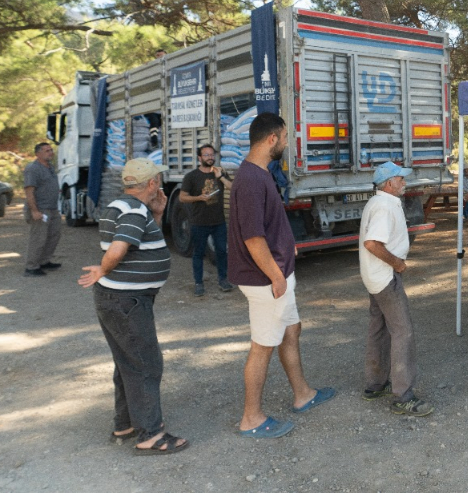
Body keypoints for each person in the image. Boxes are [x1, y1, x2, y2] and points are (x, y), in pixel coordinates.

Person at [228, 113, 334, 439]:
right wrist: (276, 276)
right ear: (272, 139)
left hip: (276, 274)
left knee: (291, 329)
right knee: (263, 346)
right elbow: (253, 239)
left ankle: (303, 394)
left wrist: (288, 247)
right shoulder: (250, 179)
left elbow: (269, 226)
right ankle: (251, 418)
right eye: (285, 137)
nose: (287, 143)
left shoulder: (260, 173)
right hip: (265, 280)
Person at [79, 158, 189, 454]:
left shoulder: (121, 206)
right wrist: (103, 269)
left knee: (127, 362)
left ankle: (125, 423)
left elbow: (142, 242)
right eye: (158, 180)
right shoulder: (133, 210)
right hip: (126, 301)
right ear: (152, 183)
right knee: (146, 364)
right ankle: (150, 435)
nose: (160, 185)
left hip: (119, 299)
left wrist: (158, 213)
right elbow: (118, 249)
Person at [358, 161, 433, 416]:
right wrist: (397, 263)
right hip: (385, 277)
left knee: (378, 329)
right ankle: (403, 396)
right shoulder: (384, 206)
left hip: (375, 277)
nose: (404, 183)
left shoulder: (379, 202)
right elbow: (372, 243)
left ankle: (375, 384)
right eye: (401, 179)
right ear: (389, 183)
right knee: (403, 332)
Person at [178, 144, 232, 296]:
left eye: (212, 155)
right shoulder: (192, 176)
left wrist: (220, 177)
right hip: (199, 222)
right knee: (198, 253)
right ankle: (198, 283)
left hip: (218, 222)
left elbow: (233, 188)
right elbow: (182, 197)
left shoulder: (220, 172)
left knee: (222, 251)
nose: (210, 157)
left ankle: (223, 280)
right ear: (199, 158)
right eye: (206, 155)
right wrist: (199, 198)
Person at [22, 142, 63, 277]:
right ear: (37, 154)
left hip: (52, 208)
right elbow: (29, 191)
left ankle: (44, 261)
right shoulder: (33, 168)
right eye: (47, 151)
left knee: (53, 236)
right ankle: (31, 267)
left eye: (51, 150)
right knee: (38, 239)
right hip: (40, 209)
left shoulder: (50, 167)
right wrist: (34, 211)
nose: (50, 153)